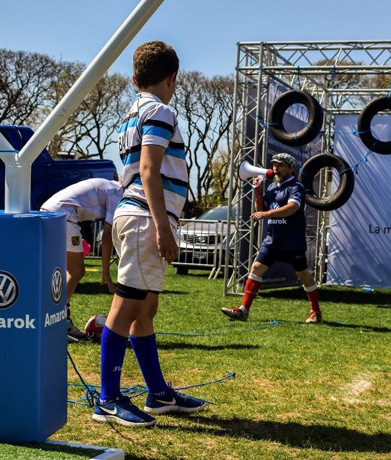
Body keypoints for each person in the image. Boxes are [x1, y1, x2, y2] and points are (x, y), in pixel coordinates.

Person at [92, 41, 205, 428]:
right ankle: (108, 399)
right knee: (126, 307)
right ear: (173, 78)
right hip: (145, 217)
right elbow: (148, 169)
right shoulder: (160, 110)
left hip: (133, 214)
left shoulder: (131, 115)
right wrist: (162, 227)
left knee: (145, 307)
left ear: (134, 79)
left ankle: (158, 393)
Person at [221, 152, 322, 324]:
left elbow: (292, 208)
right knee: (255, 269)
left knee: (303, 274)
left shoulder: (296, 186)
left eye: (280, 165)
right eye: (274, 164)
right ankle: (244, 310)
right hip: (272, 240)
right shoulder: (272, 187)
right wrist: (258, 193)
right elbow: (260, 209)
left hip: (292, 241)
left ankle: (315, 311)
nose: (275, 168)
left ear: (291, 168)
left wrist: (267, 214)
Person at [41, 177, 122, 343]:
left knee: (64, 271)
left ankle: (59, 320)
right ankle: (56, 321)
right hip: (64, 214)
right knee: (76, 271)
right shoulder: (118, 194)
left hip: (51, 210)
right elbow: (107, 237)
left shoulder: (112, 187)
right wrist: (106, 273)